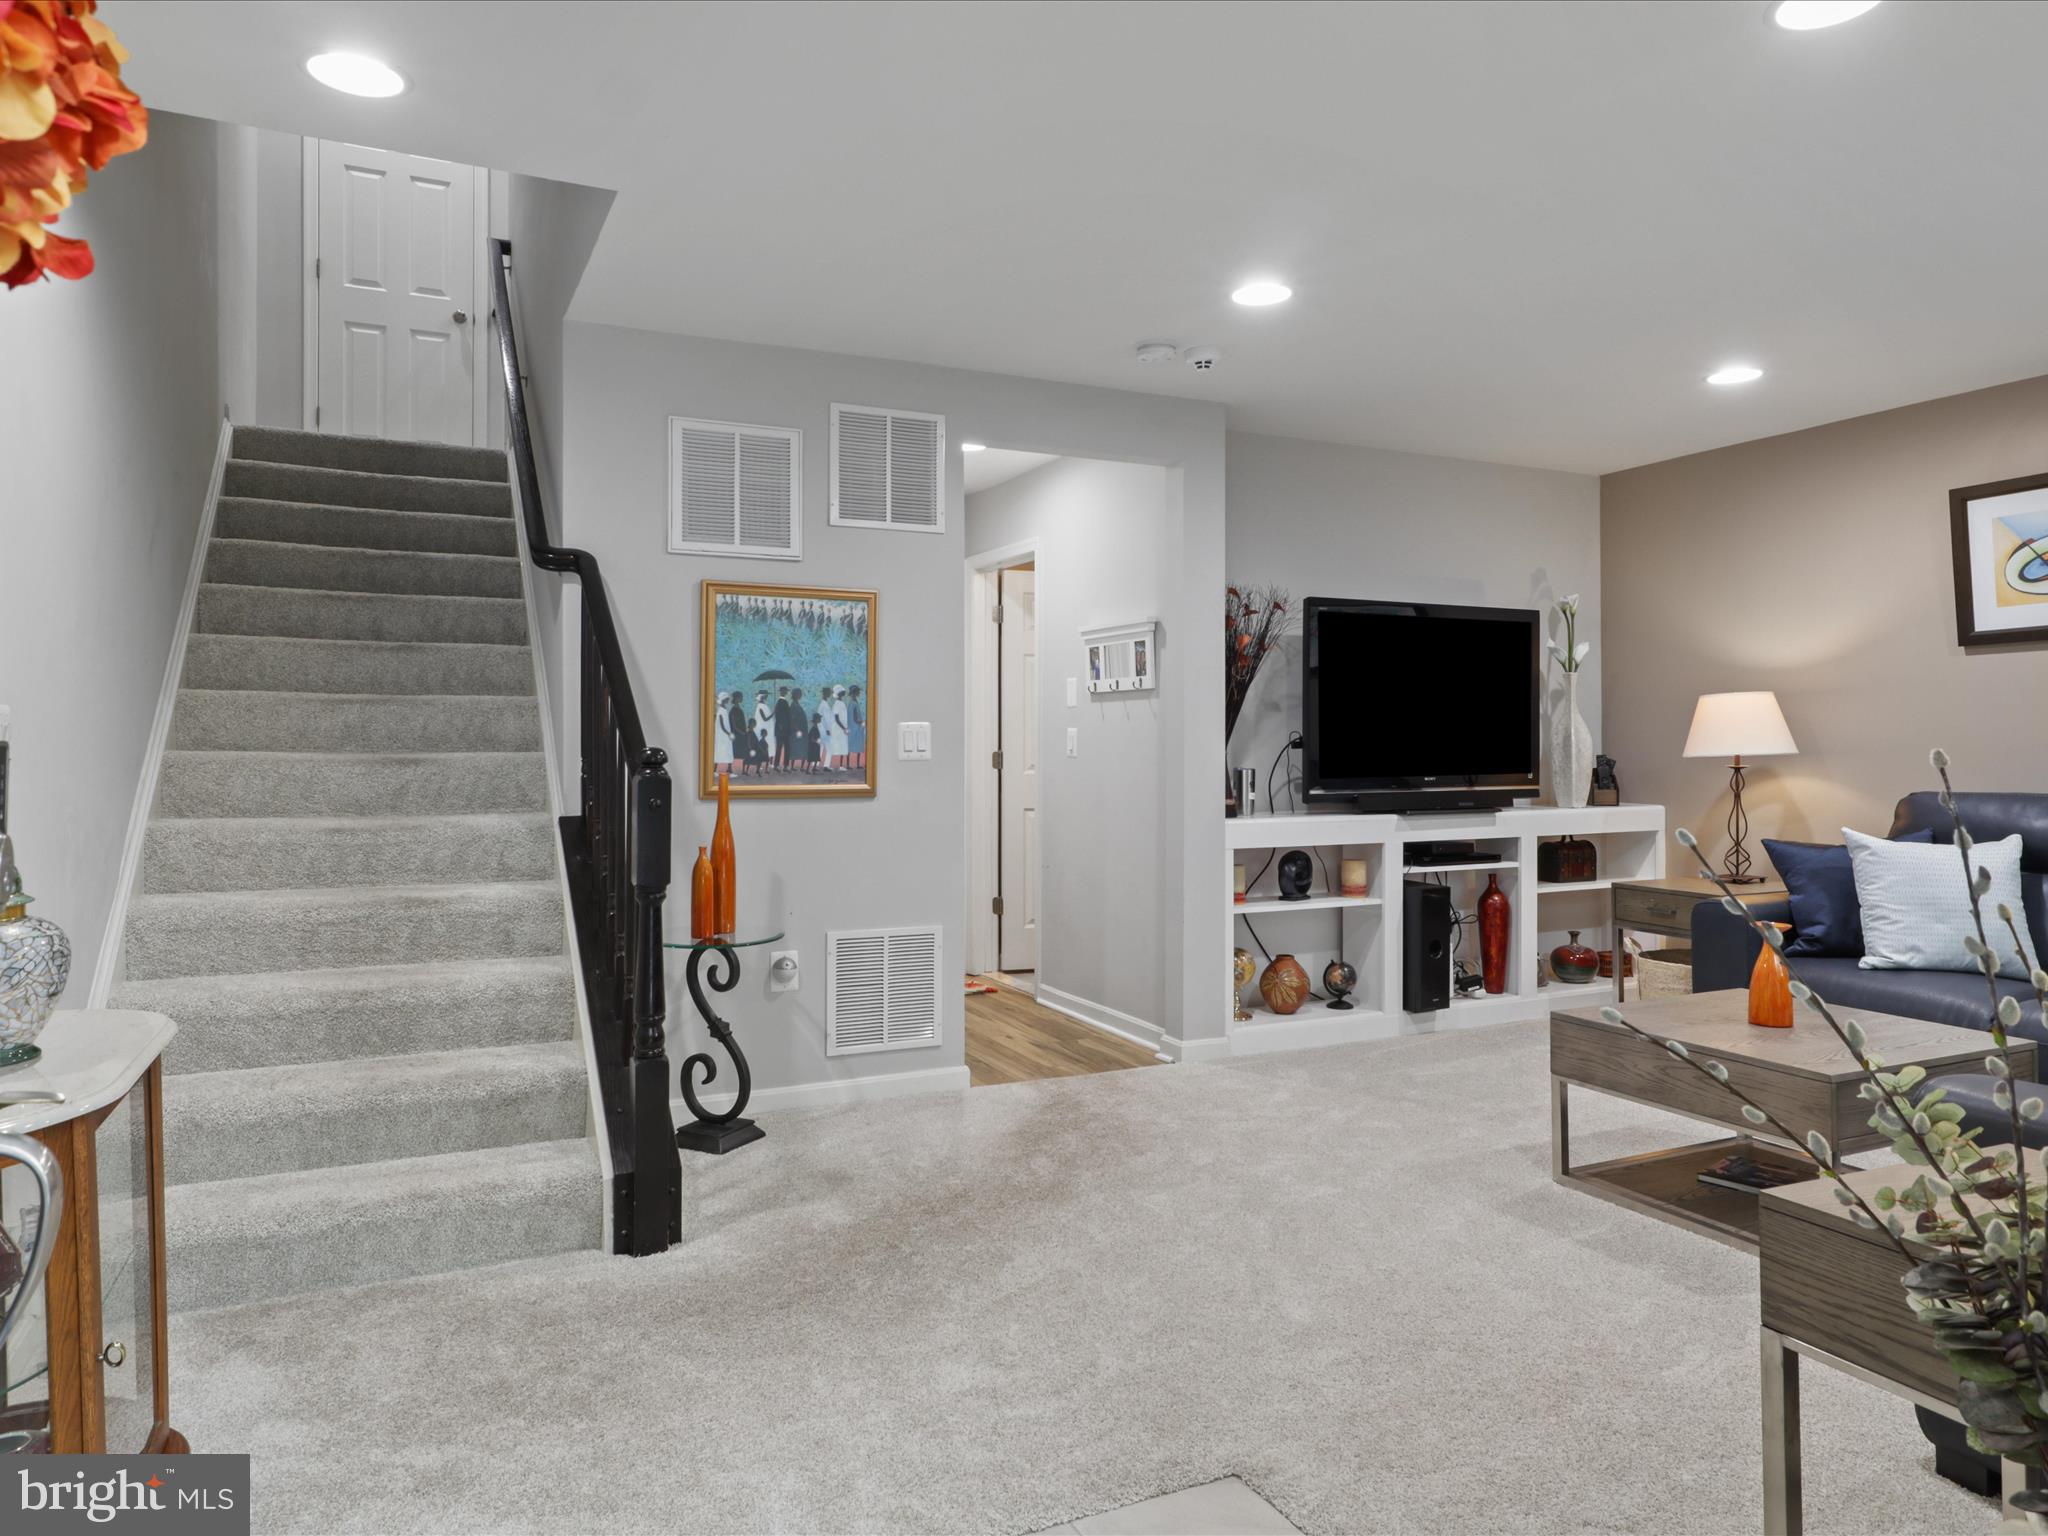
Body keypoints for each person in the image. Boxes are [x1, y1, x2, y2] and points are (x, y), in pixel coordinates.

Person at [752, 689, 776, 774]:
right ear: (762, 697)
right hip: (764, 729)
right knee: (764, 746)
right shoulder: (760, 707)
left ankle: (769, 763)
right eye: (765, 695)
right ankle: (762, 764)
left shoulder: (764, 705)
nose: (767, 696)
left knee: (770, 744)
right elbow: (765, 718)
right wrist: (773, 713)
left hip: (768, 728)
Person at [772, 685, 795, 773]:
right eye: (784, 691)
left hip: (786, 729)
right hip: (781, 730)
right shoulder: (780, 702)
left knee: (787, 748)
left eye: (786, 691)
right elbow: (778, 716)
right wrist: (781, 726)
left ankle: (785, 765)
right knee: (779, 747)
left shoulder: (784, 701)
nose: (785, 692)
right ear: (781, 692)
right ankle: (776, 765)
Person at [846, 684, 866, 773]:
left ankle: (855, 764)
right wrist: (861, 722)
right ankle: (849, 764)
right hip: (855, 727)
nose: (859, 693)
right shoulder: (853, 703)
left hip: (854, 726)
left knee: (856, 745)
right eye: (857, 691)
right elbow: (854, 717)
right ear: (854, 692)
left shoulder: (853, 702)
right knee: (853, 744)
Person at [713, 691, 735, 773]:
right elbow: (722, 725)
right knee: (720, 751)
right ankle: (714, 770)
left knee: (728, 751)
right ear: (723, 700)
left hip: (725, 734)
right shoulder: (721, 711)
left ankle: (730, 769)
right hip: (722, 735)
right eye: (727, 699)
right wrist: (728, 733)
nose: (728, 700)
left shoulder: (723, 709)